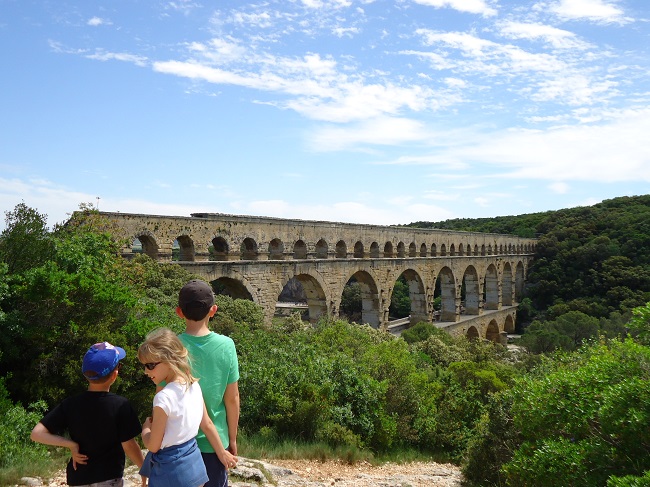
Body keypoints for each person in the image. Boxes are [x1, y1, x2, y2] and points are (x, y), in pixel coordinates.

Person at [30, 341, 145, 487]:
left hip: (78, 478)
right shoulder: (120, 405)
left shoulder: (70, 404)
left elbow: (36, 434)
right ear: (114, 375)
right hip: (108, 477)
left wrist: (70, 444)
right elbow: (129, 444)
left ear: (85, 374)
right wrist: (144, 469)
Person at [138, 327, 237, 487]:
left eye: (150, 365)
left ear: (169, 360)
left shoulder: (163, 398)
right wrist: (221, 452)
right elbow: (207, 424)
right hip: (194, 466)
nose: (146, 371)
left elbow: (154, 445)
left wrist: (145, 430)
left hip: (170, 471)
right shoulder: (194, 385)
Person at [176, 279, 240, 487]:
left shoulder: (172, 347)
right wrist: (232, 440)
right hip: (215, 445)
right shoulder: (226, 346)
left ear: (179, 312)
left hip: (179, 444)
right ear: (213, 310)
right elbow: (232, 399)